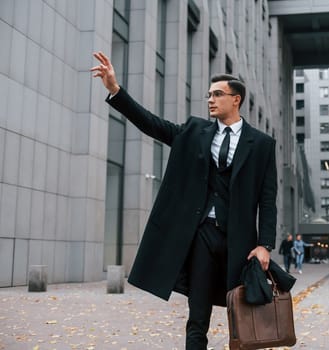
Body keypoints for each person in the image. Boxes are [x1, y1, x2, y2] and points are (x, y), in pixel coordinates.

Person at [91, 52, 278, 349]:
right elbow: (152, 124)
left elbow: (268, 200)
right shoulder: (194, 132)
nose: (210, 100)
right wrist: (116, 90)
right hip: (201, 236)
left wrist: (265, 245)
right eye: (209, 95)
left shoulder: (263, 145)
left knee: (243, 318)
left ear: (236, 100)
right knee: (197, 316)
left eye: (218, 94)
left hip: (240, 244)